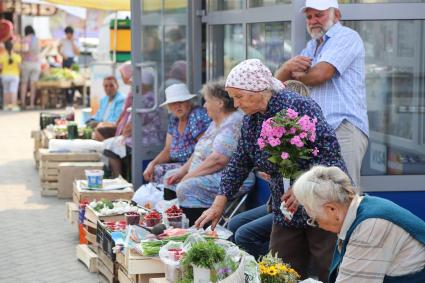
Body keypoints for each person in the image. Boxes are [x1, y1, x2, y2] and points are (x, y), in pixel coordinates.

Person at [195, 59, 347, 281]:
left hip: (321, 204)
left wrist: (302, 187)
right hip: (285, 210)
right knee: (278, 271)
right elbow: (240, 160)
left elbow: (330, 153)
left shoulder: (299, 106)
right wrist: (220, 203)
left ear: (257, 89)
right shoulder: (251, 120)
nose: (235, 104)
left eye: (238, 96)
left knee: (327, 270)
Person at [275, 0, 368, 187]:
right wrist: (287, 67)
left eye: (319, 14)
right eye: (309, 16)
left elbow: (321, 74)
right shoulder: (313, 45)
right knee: (320, 198)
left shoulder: (346, 36)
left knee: (344, 195)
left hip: (343, 127)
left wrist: (298, 74)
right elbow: (279, 83)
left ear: (337, 15)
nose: (313, 20)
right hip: (318, 131)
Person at [292, 166, 425, 283]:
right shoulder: (360, 209)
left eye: (314, 219)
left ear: (332, 209)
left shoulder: (370, 228)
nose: (315, 222)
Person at [162, 80, 255, 225]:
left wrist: (189, 176)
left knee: (187, 186)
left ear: (219, 103)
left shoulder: (233, 123)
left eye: (207, 101)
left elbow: (219, 160)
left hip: (233, 176)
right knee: (170, 178)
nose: (204, 105)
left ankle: (198, 229)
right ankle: (175, 226)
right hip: (210, 171)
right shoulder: (216, 122)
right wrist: (182, 172)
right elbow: (198, 152)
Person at [143, 83, 211, 184]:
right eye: (173, 103)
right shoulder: (174, 119)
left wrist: (182, 170)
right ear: (169, 107)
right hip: (180, 164)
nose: (178, 106)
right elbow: (167, 150)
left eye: (181, 102)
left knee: (161, 171)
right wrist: (152, 163)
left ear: (189, 102)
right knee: (155, 169)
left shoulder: (196, 115)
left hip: (197, 165)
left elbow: (203, 149)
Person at [20, 25, 40, 110]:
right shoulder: (37, 39)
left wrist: (19, 51)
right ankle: (32, 104)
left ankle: (23, 103)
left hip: (27, 63)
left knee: (24, 83)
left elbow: (25, 50)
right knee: (33, 85)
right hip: (36, 64)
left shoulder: (25, 39)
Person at [0, 40, 22, 111]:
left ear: (5, 48)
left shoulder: (2, 56)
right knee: (13, 90)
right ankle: (14, 106)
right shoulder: (17, 57)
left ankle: (6, 106)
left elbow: (1, 67)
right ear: (13, 47)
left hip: (4, 75)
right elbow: (19, 67)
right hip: (15, 75)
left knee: (6, 91)